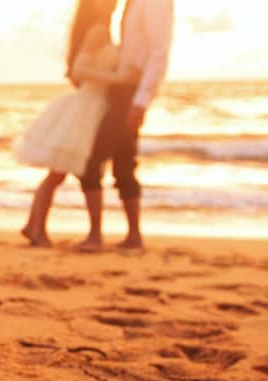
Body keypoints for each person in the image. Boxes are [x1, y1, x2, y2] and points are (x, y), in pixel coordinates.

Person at [13, 0, 124, 248]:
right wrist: (117, 78)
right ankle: (39, 227)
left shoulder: (101, 29)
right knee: (70, 171)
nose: (111, 4)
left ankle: (35, 225)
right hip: (87, 105)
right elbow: (78, 71)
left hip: (93, 105)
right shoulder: (98, 30)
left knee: (59, 173)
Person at [72, 0, 174, 250]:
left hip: (129, 93)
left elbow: (158, 53)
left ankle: (97, 236)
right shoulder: (131, 5)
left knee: (94, 161)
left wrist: (141, 100)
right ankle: (132, 236)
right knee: (123, 163)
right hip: (121, 91)